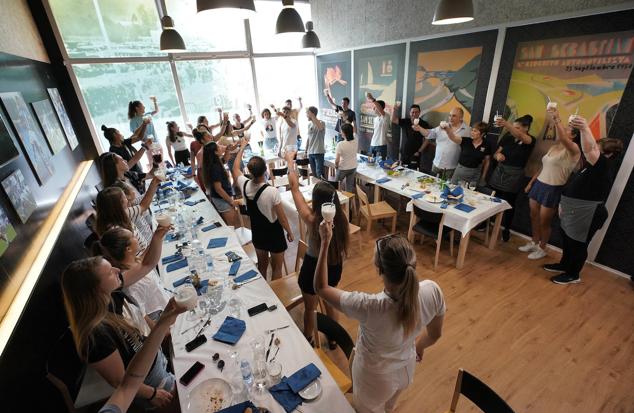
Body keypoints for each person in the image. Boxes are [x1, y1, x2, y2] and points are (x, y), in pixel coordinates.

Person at [313, 228, 445, 413]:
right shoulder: (432, 290)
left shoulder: (369, 307)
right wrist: (419, 346)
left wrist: (325, 242)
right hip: (406, 368)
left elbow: (320, 288)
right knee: (389, 407)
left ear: (380, 270)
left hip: (374, 379)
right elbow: (435, 334)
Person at [61, 246, 178, 412]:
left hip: (159, 363)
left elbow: (146, 265)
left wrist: (165, 333)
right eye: (109, 272)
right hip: (150, 383)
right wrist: (152, 394)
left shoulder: (113, 294)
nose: (117, 270)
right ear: (95, 289)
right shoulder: (94, 335)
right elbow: (119, 381)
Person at [545, 117, 623, 284]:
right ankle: (564, 265)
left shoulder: (603, 166)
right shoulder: (592, 165)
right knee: (567, 238)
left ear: (608, 154)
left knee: (578, 244)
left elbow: (588, 149)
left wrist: (584, 128)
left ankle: (573, 274)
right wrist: (563, 204)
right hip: (573, 209)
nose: (593, 151)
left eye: (598, 149)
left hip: (588, 213)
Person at [285, 151, 349, 345]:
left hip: (313, 267)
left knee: (310, 308)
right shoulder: (342, 221)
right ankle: (333, 339)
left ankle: (309, 338)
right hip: (334, 267)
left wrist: (290, 161)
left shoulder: (313, 221)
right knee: (330, 303)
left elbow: (295, 188)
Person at [96, 299, 186, 413]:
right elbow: (121, 383)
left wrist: (164, 322)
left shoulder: (115, 297)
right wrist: (152, 393)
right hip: (151, 382)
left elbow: (127, 385)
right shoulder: (95, 331)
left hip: (157, 366)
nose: (120, 279)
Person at [520, 108, 581, 260]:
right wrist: (531, 183)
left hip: (552, 188)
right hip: (539, 184)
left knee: (544, 221)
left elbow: (565, 140)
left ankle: (542, 248)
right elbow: (542, 167)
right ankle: (534, 242)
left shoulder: (574, 150)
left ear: (573, 136)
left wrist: (557, 119)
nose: (563, 132)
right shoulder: (554, 147)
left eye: (567, 130)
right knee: (533, 216)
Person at [231, 139, 294, 279]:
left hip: (258, 233)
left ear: (250, 172)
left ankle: (266, 296)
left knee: (262, 266)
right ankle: (277, 297)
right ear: (265, 170)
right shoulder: (272, 191)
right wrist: (289, 232)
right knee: (277, 269)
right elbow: (282, 218)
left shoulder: (244, 185)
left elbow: (235, 169)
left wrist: (241, 148)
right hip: (274, 234)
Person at [94, 226, 169, 322]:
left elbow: (145, 258)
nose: (136, 237)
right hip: (159, 316)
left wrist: (159, 236)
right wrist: (157, 237)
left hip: (164, 302)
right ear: (128, 249)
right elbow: (143, 316)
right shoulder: (127, 281)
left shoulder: (132, 261)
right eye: (133, 236)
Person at [488, 115, 536, 242]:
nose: (513, 130)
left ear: (526, 128)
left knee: (510, 203)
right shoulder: (508, 137)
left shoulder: (530, 140)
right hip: (500, 171)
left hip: (515, 175)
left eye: (517, 128)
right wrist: (498, 156)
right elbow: (496, 153)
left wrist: (506, 124)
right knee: (491, 199)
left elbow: (521, 137)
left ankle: (506, 229)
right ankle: (486, 223)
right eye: (513, 127)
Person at [413, 108, 470, 179]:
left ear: (461, 118)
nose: (450, 118)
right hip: (436, 164)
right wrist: (419, 128)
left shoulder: (467, 131)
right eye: (450, 115)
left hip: (451, 167)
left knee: (445, 187)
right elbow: (429, 133)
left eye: (454, 116)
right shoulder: (442, 126)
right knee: (432, 185)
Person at [202, 141, 240, 226]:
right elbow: (218, 189)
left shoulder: (215, 161)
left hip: (222, 197)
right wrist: (231, 201)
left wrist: (228, 150)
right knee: (231, 224)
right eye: (218, 147)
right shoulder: (214, 167)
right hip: (221, 199)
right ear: (215, 152)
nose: (221, 146)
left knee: (232, 221)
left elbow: (225, 160)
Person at [443, 121, 492, 186]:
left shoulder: (487, 145)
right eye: (472, 130)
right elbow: (453, 137)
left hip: (475, 174)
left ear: (482, 134)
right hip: (460, 171)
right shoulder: (466, 140)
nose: (472, 132)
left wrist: (483, 177)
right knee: (452, 190)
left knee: (470, 193)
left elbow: (487, 161)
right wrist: (447, 130)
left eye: (475, 131)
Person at [391, 102, 431, 168]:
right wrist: (395, 109)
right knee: (403, 170)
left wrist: (419, 151)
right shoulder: (406, 121)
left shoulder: (424, 124)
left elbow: (427, 139)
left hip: (415, 154)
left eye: (416, 112)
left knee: (414, 172)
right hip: (405, 153)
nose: (414, 114)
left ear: (419, 113)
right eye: (412, 112)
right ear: (410, 113)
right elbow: (394, 120)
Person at [366, 93, 390, 159]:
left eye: (375, 107)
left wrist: (372, 99)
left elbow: (381, 111)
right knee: (371, 162)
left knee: (381, 164)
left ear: (380, 108)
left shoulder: (386, 116)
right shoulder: (375, 119)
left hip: (381, 145)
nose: (373, 108)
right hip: (373, 144)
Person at [335, 123, 358, 191]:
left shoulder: (340, 144)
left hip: (343, 168)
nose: (340, 132)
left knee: (336, 186)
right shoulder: (356, 140)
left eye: (341, 131)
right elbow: (354, 130)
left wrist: (336, 166)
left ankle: (337, 199)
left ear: (344, 133)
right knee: (349, 187)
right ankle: (349, 200)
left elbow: (337, 160)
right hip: (353, 167)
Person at [305, 106, 326, 179]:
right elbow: (309, 138)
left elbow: (320, 128)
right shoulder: (309, 124)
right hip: (311, 153)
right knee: (314, 174)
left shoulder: (321, 123)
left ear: (312, 114)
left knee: (319, 173)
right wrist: (305, 151)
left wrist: (312, 116)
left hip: (319, 152)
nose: (306, 115)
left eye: (307, 113)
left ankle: (322, 189)